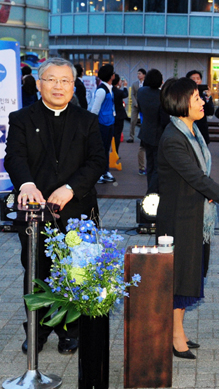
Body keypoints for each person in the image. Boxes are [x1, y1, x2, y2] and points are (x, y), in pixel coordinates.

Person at [5, 57, 106, 355]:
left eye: (64, 80)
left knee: (76, 272)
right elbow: (14, 158)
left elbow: (97, 161)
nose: (58, 86)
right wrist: (26, 184)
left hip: (78, 212)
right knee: (36, 271)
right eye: (51, 79)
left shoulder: (86, 120)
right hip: (35, 213)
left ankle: (69, 331)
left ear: (73, 86)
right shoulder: (21, 119)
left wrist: (71, 188)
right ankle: (36, 330)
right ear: (39, 84)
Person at [157, 77, 219, 360]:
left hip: (195, 216)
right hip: (179, 220)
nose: (203, 102)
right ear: (180, 102)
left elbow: (200, 179)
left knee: (190, 274)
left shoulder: (191, 131)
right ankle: (175, 335)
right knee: (178, 279)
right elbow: (196, 177)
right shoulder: (173, 137)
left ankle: (178, 330)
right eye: (196, 98)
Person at [138, 69, 165, 194]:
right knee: (157, 167)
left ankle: (150, 189)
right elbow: (164, 120)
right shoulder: (161, 96)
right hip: (158, 134)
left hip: (145, 131)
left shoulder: (141, 92)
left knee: (150, 164)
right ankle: (152, 192)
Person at [89, 64, 116, 184]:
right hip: (102, 124)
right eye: (113, 73)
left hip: (109, 122)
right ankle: (99, 173)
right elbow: (95, 109)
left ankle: (105, 171)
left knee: (106, 149)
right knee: (100, 149)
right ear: (111, 76)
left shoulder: (109, 88)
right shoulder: (101, 90)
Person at [186, 70, 215, 145]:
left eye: (198, 79)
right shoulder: (184, 96)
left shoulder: (204, 96)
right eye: (193, 79)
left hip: (202, 130)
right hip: (188, 129)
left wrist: (208, 98)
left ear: (201, 81)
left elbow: (210, 112)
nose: (196, 81)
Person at [112, 73, 129, 155]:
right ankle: (115, 152)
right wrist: (125, 86)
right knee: (117, 134)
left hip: (111, 115)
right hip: (119, 115)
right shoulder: (119, 92)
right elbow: (125, 94)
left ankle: (112, 152)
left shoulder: (110, 90)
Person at [127, 68, 145, 143]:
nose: (138, 75)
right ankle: (131, 137)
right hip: (135, 106)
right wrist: (135, 103)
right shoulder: (135, 84)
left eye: (139, 73)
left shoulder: (147, 83)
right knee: (133, 121)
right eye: (137, 73)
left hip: (144, 105)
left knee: (144, 121)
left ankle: (143, 137)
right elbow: (132, 94)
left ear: (144, 75)